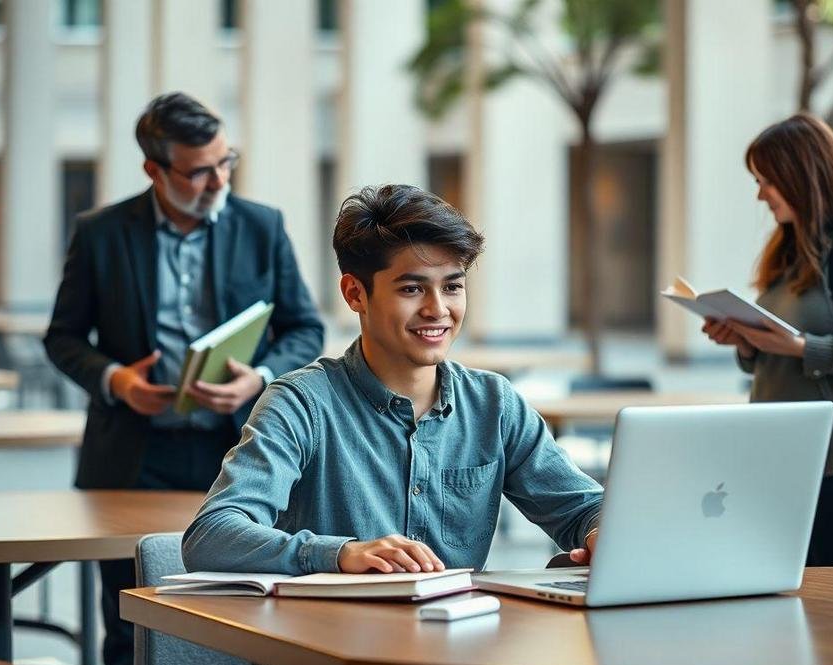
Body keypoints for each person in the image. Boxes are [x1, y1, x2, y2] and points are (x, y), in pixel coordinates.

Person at [182, 184, 601, 578]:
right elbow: (211, 535)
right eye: (412, 289)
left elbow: (582, 508)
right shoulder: (300, 404)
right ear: (354, 294)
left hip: (453, 646)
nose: (438, 310)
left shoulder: (494, 403)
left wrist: (600, 535)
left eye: (452, 287)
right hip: (331, 648)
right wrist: (340, 554)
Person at [43, 92, 324, 665]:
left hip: (238, 452)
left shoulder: (261, 225)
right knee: (130, 623)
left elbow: (305, 327)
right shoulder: (100, 233)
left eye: (226, 161)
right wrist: (116, 380)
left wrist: (260, 379)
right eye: (199, 170)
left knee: (242, 615)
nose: (217, 179)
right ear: (154, 169)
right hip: (131, 457)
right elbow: (63, 337)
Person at [701, 112, 833, 572]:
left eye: (767, 181)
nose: (760, 194)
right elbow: (773, 358)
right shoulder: (788, 252)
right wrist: (745, 343)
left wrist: (803, 348)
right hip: (783, 458)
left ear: (802, 177)